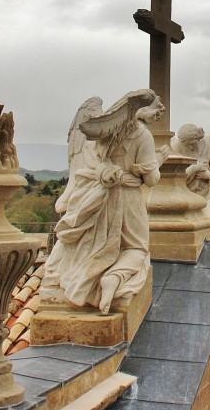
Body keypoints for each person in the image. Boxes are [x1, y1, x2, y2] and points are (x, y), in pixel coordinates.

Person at [41, 90, 169, 313]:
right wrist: (158, 160)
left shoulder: (100, 131)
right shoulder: (142, 136)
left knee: (87, 241)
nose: (160, 112)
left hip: (95, 198)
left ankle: (81, 277)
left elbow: (89, 164)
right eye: (156, 108)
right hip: (127, 200)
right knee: (137, 248)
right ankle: (113, 277)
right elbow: (151, 179)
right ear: (141, 109)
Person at [170, 124, 210, 240]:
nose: (189, 147)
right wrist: (194, 168)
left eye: (192, 144)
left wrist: (208, 175)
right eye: (187, 145)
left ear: (197, 139)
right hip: (184, 197)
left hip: (204, 196)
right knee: (183, 231)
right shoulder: (175, 146)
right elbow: (174, 178)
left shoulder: (208, 147)